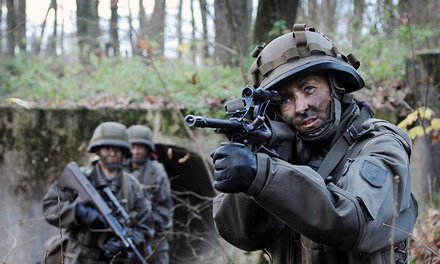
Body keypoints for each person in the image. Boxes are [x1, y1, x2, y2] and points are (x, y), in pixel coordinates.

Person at [211, 24, 418, 263]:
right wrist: (248, 177)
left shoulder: (381, 145)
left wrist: (263, 173)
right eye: (286, 99)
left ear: (336, 86)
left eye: (309, 89)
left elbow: (355, 223)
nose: (300, 107)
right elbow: (241, 236)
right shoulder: (284, 151)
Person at [42, 121, 154, 264]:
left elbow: (146, 228)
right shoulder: (82, 178)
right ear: (98, 150)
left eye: (117, 149)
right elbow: (50, 207)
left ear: (124, 152)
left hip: (116, 259)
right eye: (107, 148)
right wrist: (77, 212)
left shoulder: (133, 187)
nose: (112, 153)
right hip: (80, 257)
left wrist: (126, 243)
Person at [125, 125, 173, 264]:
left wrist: (143, 226)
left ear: (148, 149)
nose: (135, 151)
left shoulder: (156, 172)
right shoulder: (120, 169)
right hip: (126, 235)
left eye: (140, 147)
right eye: (132, 147)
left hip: (153, 238)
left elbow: (165, 211)